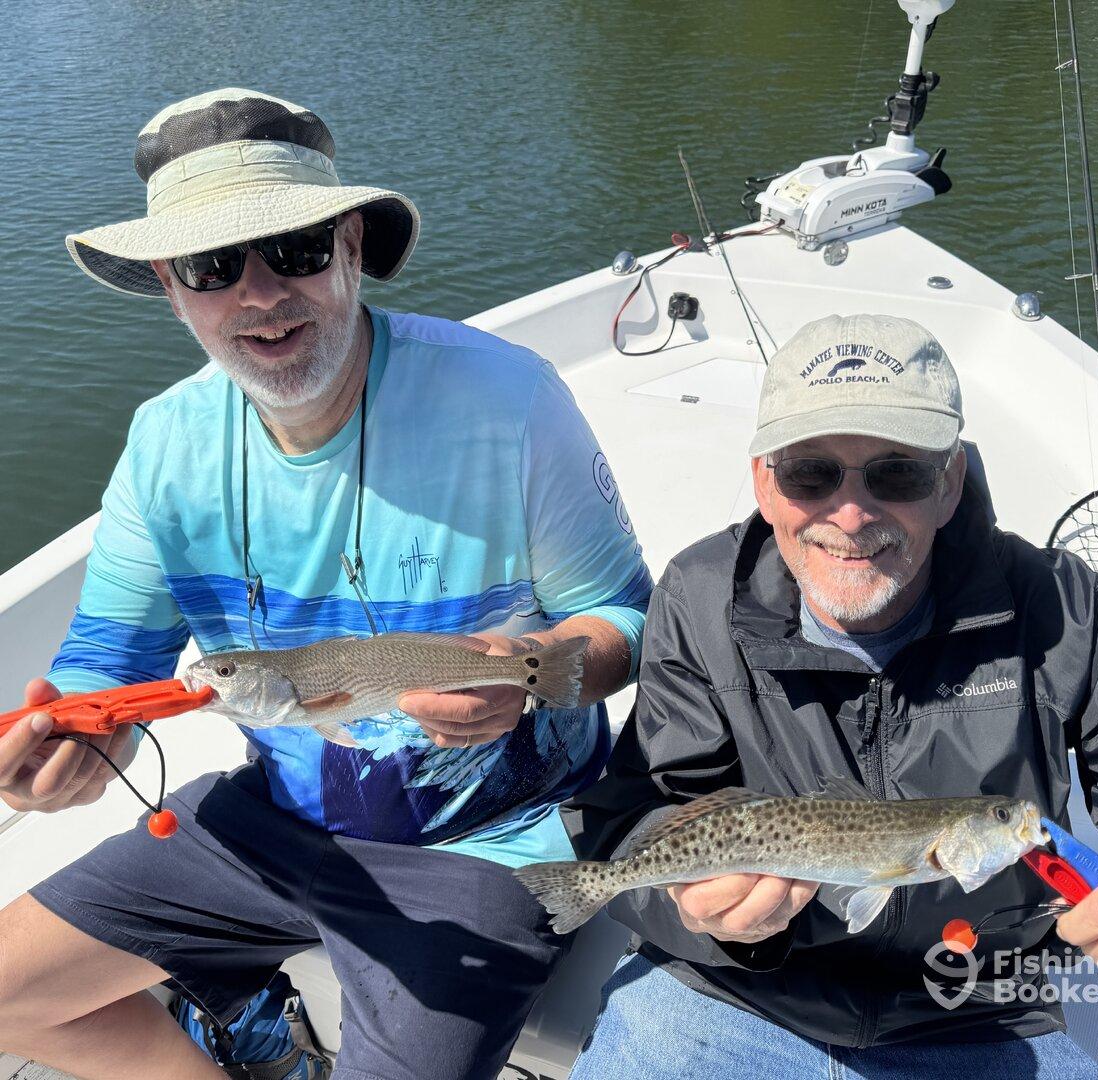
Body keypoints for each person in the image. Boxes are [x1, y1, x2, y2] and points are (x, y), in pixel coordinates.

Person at [0, 88, 652, 1080]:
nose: (260, 295)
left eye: (295, 250)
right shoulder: (164, 444)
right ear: (171, 287)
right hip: (266, 820)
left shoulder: (509, 400)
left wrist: (529, 670)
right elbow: (108, 664)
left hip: (488, 844)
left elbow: (628, 624)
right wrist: (83, 745)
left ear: (351, 246)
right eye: (214, 267)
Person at [561, 313, 1098, 1079]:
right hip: (732, 991)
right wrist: (706, 917)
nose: (852, 516)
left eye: (898, 473)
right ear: (764, 482)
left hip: (976, 1004)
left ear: (950, 482)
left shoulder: (1066, 608)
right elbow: (637, 811)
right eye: (811, 474)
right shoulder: (698, 597)